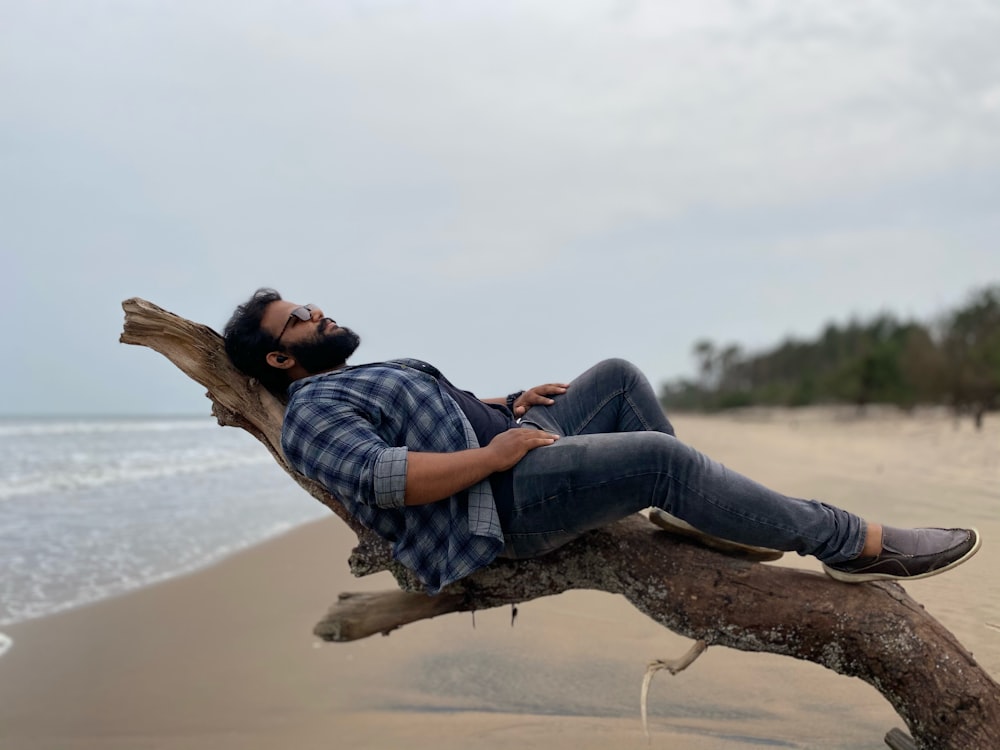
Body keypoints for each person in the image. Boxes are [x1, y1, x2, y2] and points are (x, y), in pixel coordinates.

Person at [223, 288, 981, 594]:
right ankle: (853, 541)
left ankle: (689, 511)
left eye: (309, 305)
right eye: (299, 321)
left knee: (615, 376)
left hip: (517, 447)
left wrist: (509, 404)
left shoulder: (350, 379)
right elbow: (389, 478)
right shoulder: (313, 413)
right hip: (499, 503)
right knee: (661, 460)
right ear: (281, 361)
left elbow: (431, 412)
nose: (318, 314)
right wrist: (494, 455)